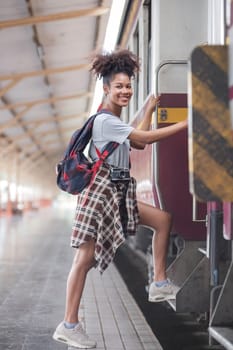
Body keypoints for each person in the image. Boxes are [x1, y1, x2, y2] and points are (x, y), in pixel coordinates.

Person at [53, 49, 187, 349]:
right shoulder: (104, 121)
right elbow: (143, 140)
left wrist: (149, 111)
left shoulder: (114, 121)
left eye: (128, 86)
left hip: (117, 191)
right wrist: (187, 125)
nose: (125, 91)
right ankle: (69, 324)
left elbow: (135, 143)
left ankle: (158, 283)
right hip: (100, 192)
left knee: (163, 220)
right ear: (106, 89)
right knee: (84, 258)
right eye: (120, 87)